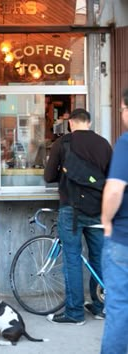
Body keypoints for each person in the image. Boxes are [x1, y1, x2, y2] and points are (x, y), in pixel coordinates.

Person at [44, 108, 112, 325]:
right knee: (98, 258)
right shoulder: (104, 144)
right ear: (89, 123)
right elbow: (110, 179)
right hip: (98, 210)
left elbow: (48, 176)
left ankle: (75, 313)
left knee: (72, 259)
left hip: (71, 209)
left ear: (71, 123)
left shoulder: (62, 143)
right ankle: (100, 306)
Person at [100, 88, 128, 353]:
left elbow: (115, 189)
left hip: (124, 238)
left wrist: (106, 220)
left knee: (120, 306)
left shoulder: (127, 141)